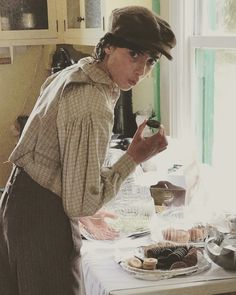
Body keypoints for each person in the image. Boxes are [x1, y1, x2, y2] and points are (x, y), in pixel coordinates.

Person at [0, 5, 176, 295]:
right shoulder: (93, 101)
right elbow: (79, 204)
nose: (141, 70)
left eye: (151, 61)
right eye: (134, 54)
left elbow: (58, 171)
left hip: (17, 205)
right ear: (108, 46)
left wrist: (82, 206)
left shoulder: (74, 73)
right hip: (41, 221)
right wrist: (133, 157)